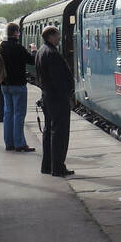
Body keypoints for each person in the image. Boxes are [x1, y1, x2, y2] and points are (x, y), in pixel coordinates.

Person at [35, 25, 75, 177]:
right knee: (60, 134)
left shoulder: (41, 51)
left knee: (48, 132)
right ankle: (58, 167)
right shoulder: (52, 53)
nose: (59, 38)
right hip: (57, 99)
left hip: (48, 97)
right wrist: (67, 95)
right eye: (57, 35)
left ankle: (47, 165)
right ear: (51, 36)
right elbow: (58, 80)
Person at [0, 22, 36, 153]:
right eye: (18, 32)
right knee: (19, 114)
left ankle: (9, 143)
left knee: (8, 113)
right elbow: (32, 61)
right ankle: (19, 143)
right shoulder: (18, 48)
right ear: (15, 33)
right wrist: (34, 51)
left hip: (5, 85)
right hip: (18, 85)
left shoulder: (2, 46)